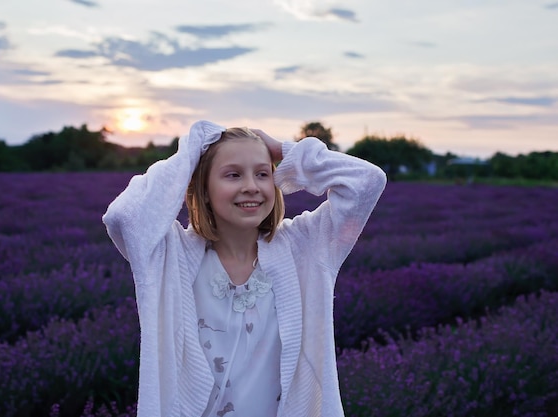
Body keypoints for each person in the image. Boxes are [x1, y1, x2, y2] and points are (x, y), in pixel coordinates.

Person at [103, 120, 386, 417]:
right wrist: (190, 153)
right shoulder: (170, 256)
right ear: (204, 188)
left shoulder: (305, 247)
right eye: (233, 175)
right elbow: (125, 216)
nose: (251, 186)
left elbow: (367, 181)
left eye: (263, 174)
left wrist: (284, 150)